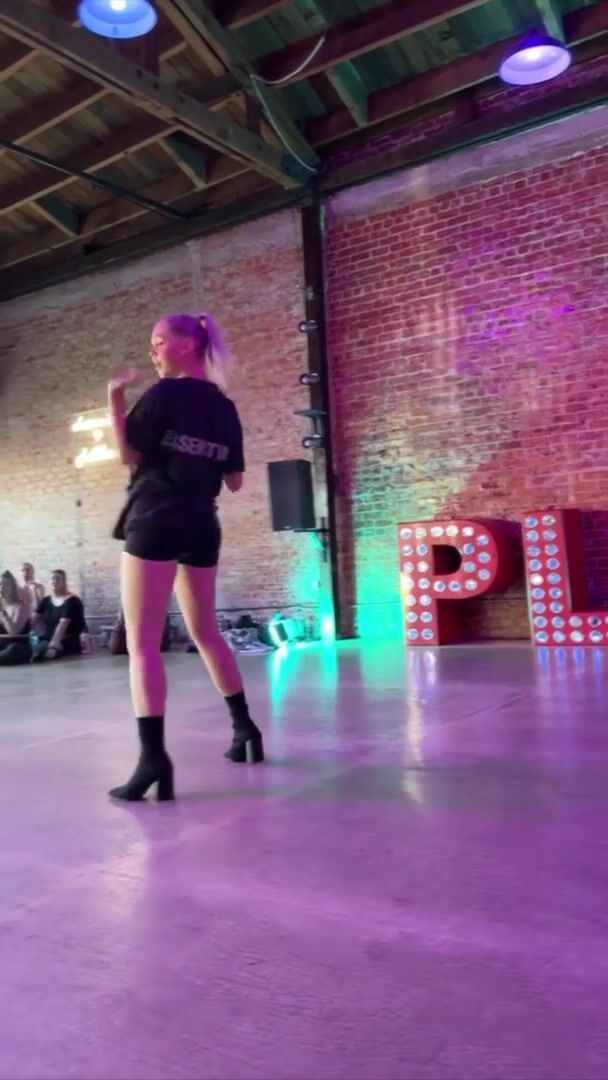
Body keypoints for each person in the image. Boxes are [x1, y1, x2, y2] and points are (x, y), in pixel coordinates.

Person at [107, 311, 263, 802]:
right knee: (206, 632)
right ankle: (245, 728)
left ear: (184, 346)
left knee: (143, 645)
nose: (152, 352)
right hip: (201, 522)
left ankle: (153, 759)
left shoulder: (161, 396)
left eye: (158, 342)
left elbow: (127, 455)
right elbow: (235, 481)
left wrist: (114, 397)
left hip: (155, 518)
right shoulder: (223, 405)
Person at [32, 570, 87, 660]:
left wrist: (54, 644)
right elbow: (33, 620)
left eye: (58, 579)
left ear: (64, 581)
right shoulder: (46, 600)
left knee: (49, 653)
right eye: (53, 579)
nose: (54, 581)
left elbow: (63, 624)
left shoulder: (72, 600)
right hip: (48, 639)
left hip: (69, 639)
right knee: (36, 651)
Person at [0, 570, 32, 665]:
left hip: (16, 646)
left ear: (13, 588)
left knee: (13, 649)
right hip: (2, 645)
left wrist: (3, 612)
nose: (2, 588)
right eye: (0, 584)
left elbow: (13, 632)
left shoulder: (21, 607)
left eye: (6, 585)